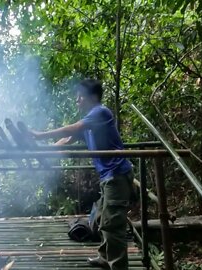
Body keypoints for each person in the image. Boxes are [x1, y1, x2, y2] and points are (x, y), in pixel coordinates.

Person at [31, 79, 138, 270]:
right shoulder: (91, 121)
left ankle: (118, 267)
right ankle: (105, 257)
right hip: (108, 178)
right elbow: (67, 139)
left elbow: (71, 128)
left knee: (112, 225)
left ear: (92, 97)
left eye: (80, 96)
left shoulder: (100, 112)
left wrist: (40, 135)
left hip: (116, 177)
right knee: (102, 219)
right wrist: (43, 149)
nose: (77, 100)